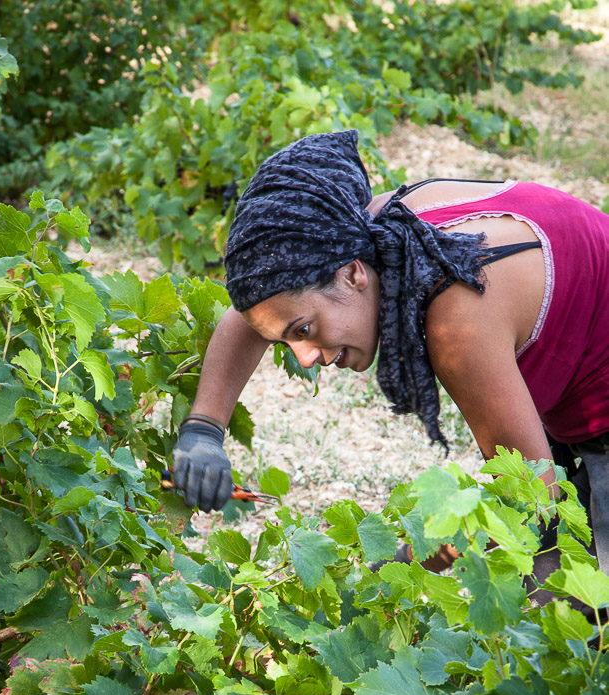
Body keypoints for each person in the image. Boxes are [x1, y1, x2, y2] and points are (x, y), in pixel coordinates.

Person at [172, 130, 609, 573]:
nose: (306, 358)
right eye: (288, 339)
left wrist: (400, 566)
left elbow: (532, 502)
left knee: (566, 618)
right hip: (581, 405)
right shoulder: (374, 229)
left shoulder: (457, 319)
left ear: (353, 275)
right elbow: (259, 309)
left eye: (305, 330)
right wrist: (203, 429)